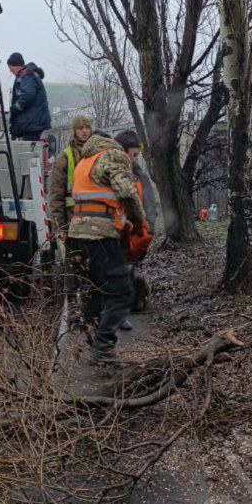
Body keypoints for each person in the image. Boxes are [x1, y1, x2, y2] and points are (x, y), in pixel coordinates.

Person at [66, 133, 147, 364]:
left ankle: (92, 336)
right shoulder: (113, 155)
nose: (133, 159)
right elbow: (127, 192)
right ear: (124, 148)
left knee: (97, 289)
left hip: (78, 234)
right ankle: (102, 347)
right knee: (123, 292)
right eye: (133, 155)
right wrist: (139, 221)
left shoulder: (85, 160)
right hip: (99, 233)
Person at [113, 129, 158, 323]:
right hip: (117, 228)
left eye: (136, 155)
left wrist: (150, 226)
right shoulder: (112, 172)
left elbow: (149, 204)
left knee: (127, 265)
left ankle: (130, 301)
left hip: (133, 230)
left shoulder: (140, 176)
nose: (135, 159)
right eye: (133, 155)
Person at [47, 114, 93, 249]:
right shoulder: (65, 157)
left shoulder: (99, 153)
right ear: (74, 131)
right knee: (74, 262)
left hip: (96, 220)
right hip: (73, 221)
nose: (84, 131)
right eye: (80, 128)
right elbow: (56, 195)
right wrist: (60, 227)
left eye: (87, 127)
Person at [5, 52, 51, 141]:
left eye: (10, 67)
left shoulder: (27, 76)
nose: (10, 70)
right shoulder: (27, 76)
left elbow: (27, 96)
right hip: (33, 125)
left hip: (32, 126)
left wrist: (15, 108)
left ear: (16, 65)